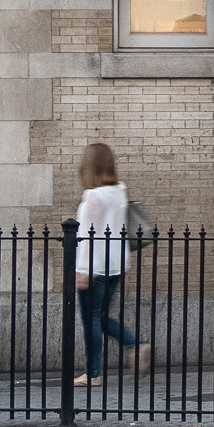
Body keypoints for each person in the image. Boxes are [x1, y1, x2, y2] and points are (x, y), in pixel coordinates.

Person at [72, 141, 148, 386]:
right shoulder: (119, 192)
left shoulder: (94, 196)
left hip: (95, 267)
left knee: (90, 319)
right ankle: (134, 345)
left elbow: (87, 236)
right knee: (101, 316)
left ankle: (92, 374)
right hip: (116, 264)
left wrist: (82, 271)